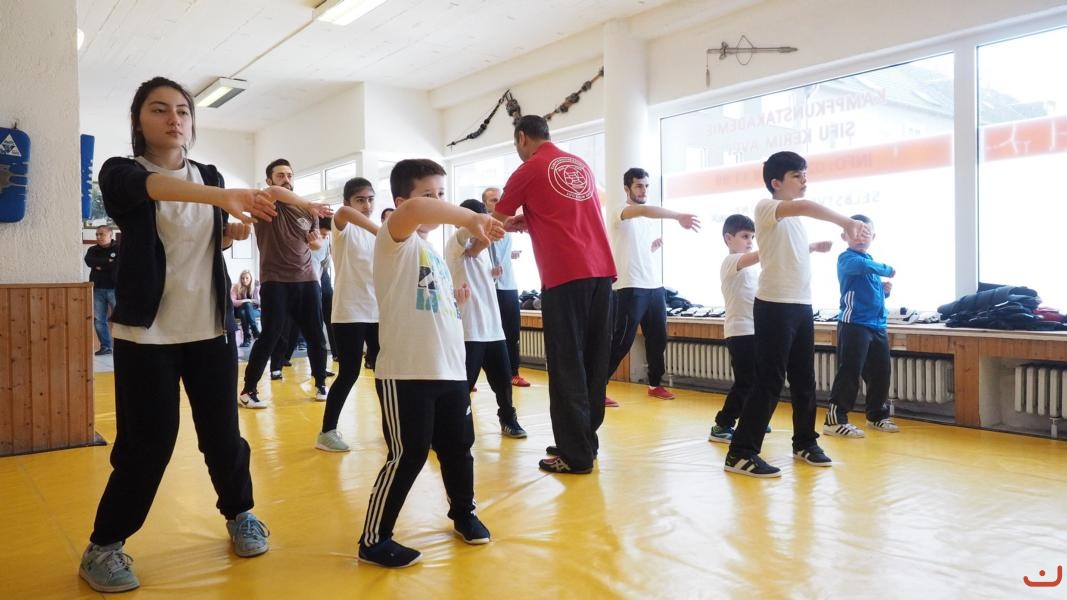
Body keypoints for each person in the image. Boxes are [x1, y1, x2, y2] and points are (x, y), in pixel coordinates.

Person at [79, 76, 275, 593]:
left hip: (209, 328)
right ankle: (104, 546)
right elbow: (155, 190)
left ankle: (240, 513)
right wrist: (224, 197)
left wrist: (232, 232)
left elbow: (204, 240)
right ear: (138, 121)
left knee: (223, 436)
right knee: (148, 444)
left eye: (183, 111)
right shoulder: (120, 172)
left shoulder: (208, 175)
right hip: (147, 334)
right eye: (159, 109)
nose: (174, 119)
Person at [357, 159, 503, 568]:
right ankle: (374, 540)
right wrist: (471, 217)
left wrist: (456, 304)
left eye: (442, 193)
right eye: (429, 194)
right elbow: (416, 212)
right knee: (409, 454)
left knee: (458, 448)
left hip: (450, 370)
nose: (437, 201)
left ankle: (464, 513)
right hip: (407, 372)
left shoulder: (433, 252)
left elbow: (429, 307)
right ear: (401, 201)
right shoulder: (394, 239)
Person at [724, 151, 866, 478]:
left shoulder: (794, 221)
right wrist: (846, 222)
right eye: (797, 175)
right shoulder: (766, 206)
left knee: (804, 379)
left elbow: (783, 251)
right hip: (774, 306)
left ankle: (805, 442)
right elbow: (804, 206)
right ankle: (740, 452)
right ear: (776, 183)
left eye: (805, 175)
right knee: (769, 380)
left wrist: (811, 248)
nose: (804, 180)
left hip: (801, 306)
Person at [493, 115, 616, 475]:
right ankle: (584, 442)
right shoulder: (580, 165)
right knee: (593, 364)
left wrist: (473, 244)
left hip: (564, 275)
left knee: (566, 366)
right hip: (601, 272)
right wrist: (530, 221)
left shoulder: (528, 169)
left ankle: (574, 455)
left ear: (521, 137)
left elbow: (494, 220)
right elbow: (570, 216)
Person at [710, 215, 826, 441]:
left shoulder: (754, 270)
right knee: (746, 381)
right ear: (728, 238)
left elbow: (776, 263)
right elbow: (764, 254)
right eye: (745, 236)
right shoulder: (730, 262)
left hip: (758, 331)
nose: (750, 241)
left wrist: (803, 251)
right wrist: (803, 246)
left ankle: (753, 421)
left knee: (761, 380)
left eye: (753, 237)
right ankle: (722, 424)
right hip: (740, 332)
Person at [238, 158, 332, 408]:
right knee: (270, 335)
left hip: (307, 280)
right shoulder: (264, 202)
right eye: (280, 175)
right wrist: (308, 203)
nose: (286, 180)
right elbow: (275, 192)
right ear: (269, 180)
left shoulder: (308, 211)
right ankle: (248, 391)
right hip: (275, 280)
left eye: (289, 175)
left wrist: (315, 241)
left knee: (315, 335)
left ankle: (321, 383)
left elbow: (316, 244)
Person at [606, 167, 700, 405]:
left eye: (646, 186)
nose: (644, 190)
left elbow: (635, 248)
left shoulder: (644, 221)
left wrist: (651, 249)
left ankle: (655, 384)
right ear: (627, 188)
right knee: (622, 340)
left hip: (654, 286)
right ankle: (595, 387)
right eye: (639, 186)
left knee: (658, 338)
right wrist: (678, 216)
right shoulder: (620, 211)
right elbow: (644, 210)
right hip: (629, 286)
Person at [446, 199, 527, 439]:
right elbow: (467, 237)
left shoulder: (483, 253)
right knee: (463, 384)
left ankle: (508, 418)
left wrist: (492, 275)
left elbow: (478, 271)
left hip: (493, 329)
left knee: (503, 381)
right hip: (469, 331)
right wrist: (481, 222)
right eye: (478, 220)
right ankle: (450, 425)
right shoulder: (454, 245)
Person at [315, 177, 381, 452]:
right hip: (350, 312)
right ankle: (326, 432)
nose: (367, 205)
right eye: (360, 200)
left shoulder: (378, 235)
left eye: (370, 199)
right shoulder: (344, 228)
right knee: (349, 373)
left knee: (386, 372)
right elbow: (341, 214)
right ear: (348, 202)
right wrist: (381, 230)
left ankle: (396, 426)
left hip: (377, 312)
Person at [824, 214, 901, 437]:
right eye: (856, 232)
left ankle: (876, 416)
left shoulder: (869, 262)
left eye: (866, 233)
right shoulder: (847, 258)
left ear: (873, 237)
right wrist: (886, 269)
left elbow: (868, 293)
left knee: (880, 373)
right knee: (849, 372)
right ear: (844, 236)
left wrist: (884, 292)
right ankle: (834, 421)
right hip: (854, 324)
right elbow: (862, 266)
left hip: (877, 326)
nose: (861, 237)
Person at [481, 186, 530, 388]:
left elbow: (500, 250)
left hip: (509, 285)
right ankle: (474, 373)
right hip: (490, 286)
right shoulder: (484, 224)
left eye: (499, 199)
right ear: (485, 204)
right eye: (493, 200)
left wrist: (510, 255)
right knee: (488, 333)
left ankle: (513, 373)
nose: (498, 202)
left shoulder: (508, 224)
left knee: (512, 331)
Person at [85, 225, 120, 356]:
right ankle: (106, 346)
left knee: (120, 319)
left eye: (102, 234)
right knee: (99, 320)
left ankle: (123, 346)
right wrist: (108, 262)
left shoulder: (119, 249)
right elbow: (89, 261)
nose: (98, 237)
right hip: (98, 289)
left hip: (115, 289)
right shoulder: (92, 250)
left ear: (110, 235)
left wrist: (100, 265)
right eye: (97, 234)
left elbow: (117, 265)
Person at [231, 269, 261, 347]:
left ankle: (246, 339)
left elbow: (259, 302)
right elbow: (232, 301)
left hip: (255, 311)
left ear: (251, 278)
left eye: (247, 278)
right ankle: (255, 330)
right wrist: (245, 301)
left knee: (244, 311)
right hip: (238, 311)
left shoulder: (256, 287)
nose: (244, 280)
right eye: (242, 278)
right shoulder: (236, 287)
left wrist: (256, 291)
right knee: (244, 310)